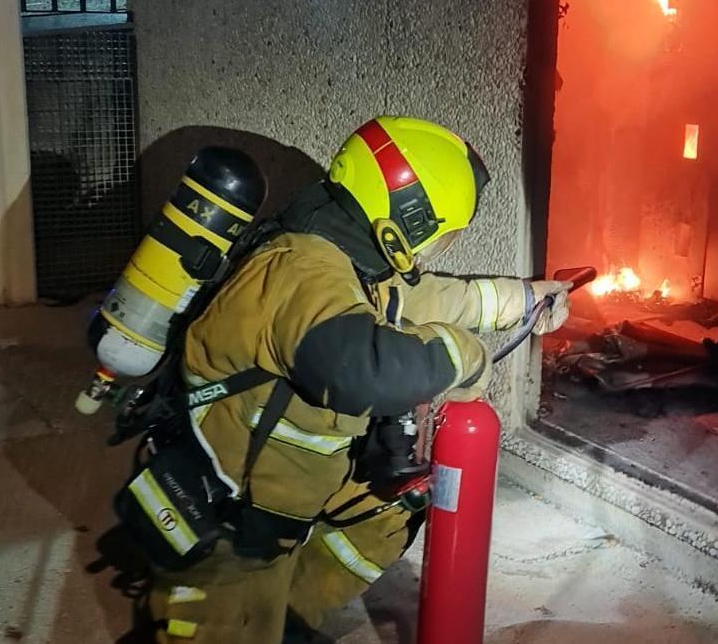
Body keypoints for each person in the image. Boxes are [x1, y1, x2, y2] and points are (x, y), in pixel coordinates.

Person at [148, 116, 572, 642]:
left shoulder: (341, 252)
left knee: (395, 505)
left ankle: (291, 616)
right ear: (407, 220)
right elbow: (361, 370)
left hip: (288, 489)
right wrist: (465, 354)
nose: (430, 253)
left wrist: (523, 298)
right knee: (215, 626)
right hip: (232, 513)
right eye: (439, 237)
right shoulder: (304, 272)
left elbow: (418, 297)